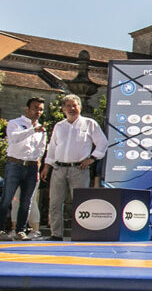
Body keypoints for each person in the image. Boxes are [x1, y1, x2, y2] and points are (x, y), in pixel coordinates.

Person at [39, 94, 107, 241]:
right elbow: (52, 148)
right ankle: (56, 234)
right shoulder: (59, 126)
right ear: (63, 109)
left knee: (80, 202)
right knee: (55, 202)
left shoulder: (89, 123)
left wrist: (92, 158)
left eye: (75, 105)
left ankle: (80, 233)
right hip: (59, 168)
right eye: (68, 106)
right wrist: (46, 166)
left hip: (79, 169)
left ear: (80, 107)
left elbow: (103, 143)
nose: (72, 108)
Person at [0, 97, 47, 241]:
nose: (38, 111)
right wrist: (32, 130)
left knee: (26, 201)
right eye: (35, 108)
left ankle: (20, 230)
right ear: (27, 109)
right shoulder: (15, 123)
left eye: (41, 109)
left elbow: (40, 150)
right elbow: (14, 138)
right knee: (7, 198)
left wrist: (37, 168)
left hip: (31, 166)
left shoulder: (42, 129)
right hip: (14, 164)